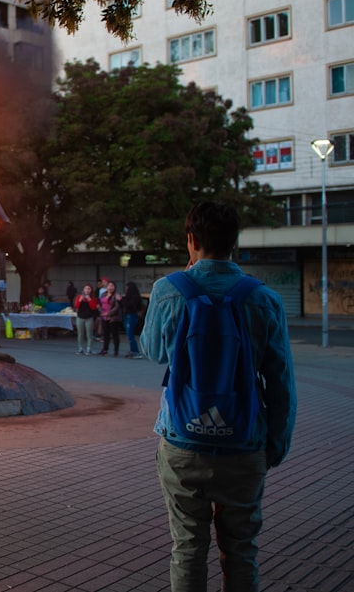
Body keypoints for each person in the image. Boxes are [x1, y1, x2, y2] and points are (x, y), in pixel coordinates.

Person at [141, 201, 296, 592]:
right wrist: (274, 444)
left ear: (191, 240)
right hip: (244, 444)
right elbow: (280, 383)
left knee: (188, 547)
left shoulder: (168, 290)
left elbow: (153, 351)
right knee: (241, 551)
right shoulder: (263, 299)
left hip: (182, 442)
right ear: (234, 242)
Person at [121, 281, 145, 359]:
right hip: (129, 315)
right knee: (129, 334)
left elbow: (129, 306)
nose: (126, 289)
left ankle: (135, 351)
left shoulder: (134, 298)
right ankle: (132, 350)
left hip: (131, 315)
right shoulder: (132, 297)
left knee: (130, 334)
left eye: (127, 287)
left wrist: (121, 300)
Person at [73, 283, 98, 355]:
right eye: (86, 288)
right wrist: (80, 299)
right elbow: (76, 306)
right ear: (83, 290)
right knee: (80, 334)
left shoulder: (93, 297)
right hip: (80, 317)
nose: (87, 290)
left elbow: (94, 307)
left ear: (91, 290)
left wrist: (89, 299)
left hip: (89, 317)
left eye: (89, 289)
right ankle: (80, 348)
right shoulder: (79, 296)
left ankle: (89, 349)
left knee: (89, 334)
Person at [98, 280, 122, 356]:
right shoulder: (103, 294)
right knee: (106, 334)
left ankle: (116, 350)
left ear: (115, 287)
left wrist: (108, 314)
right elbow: (99, 304)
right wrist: (101, 312)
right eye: (109, 286)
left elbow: (117, 307)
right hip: (104, 317)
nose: (110, 287)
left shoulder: (116, 295)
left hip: (113, 318)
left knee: (115, 334)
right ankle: (105, 349)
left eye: (112, 286)